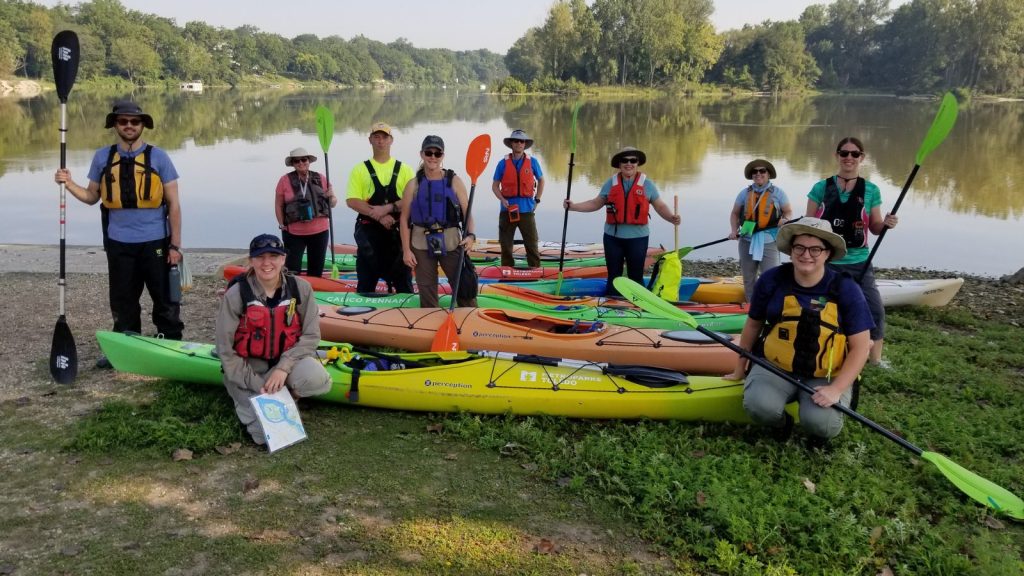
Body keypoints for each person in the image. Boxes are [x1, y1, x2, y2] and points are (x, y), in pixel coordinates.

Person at [53, 100, 183, 368]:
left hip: (155, 241)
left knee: (164, 297)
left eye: (134, 122)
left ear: (142, 125)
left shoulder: (159, 157)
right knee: (123, 300)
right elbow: (91, 197)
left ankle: (170, 342)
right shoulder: (102, 157)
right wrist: (68, 183)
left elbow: (174, 205)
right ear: (115, 125)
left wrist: (175, 246)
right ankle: (127, 344)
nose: (129, 126)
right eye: (123, 121)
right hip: (119, 243)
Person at [723, 218, 874, 443]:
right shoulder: (771, 280)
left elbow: (862, 347)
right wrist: (738, 369)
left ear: (827, 254)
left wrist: (836, 389)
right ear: (791, 251)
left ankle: (817, 425)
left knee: (821, 424)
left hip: (825, 373)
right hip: (776, 365)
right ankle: (782, 423)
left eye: (815, 249)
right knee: (758, 405)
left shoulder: (846, 288)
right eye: (799, 248)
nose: (806, 255)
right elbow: (753, 324)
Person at [215, 234, 331, 445]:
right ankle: (270, 398)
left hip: (285, 362)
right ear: (251, 261)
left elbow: (311, 335)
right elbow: (225, 350)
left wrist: (283, 367)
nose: (267, 263)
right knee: (264, 438)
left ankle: (288, 396)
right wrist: (259, 385)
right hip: (249, 370)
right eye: (260, 257)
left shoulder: (301, 289)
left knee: (318, 379)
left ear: (283, 259)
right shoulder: (236, 295)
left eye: (273, 256)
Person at [806, 137, 898, 367]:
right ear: (837, 156)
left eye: (854, 154)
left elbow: (875, 228)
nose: (849, 158)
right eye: (844, 153)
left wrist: (886, 223)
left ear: (862, 158)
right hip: (827, 261)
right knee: (817, 307)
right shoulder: (820, 187)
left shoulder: (870, 190)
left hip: (859, 261)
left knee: (875, 309)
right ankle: (814, 349)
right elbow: (808, 225)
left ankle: (875, 360)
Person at [563, 146, 680, 297]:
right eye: (625, 160)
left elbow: (660, 206)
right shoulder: (610, 184)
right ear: (619, 164)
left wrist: (671, 218)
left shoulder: (647, 185)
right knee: (614, 276)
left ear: (638, 164)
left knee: (635, 276)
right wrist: (573, 207)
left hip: (638, 238)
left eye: (633, 160)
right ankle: (611, 304)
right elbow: (595, 203)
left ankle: (638, 305)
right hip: (613, 238)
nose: (629, 163)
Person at [399, 135, 478, 308]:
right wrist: (406, 250)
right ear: (422, 154)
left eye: (437, 153)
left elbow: (467, 213)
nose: (433, 157)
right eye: (429, 153)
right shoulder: (413, 185)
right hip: (420, 243)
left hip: (451, 241)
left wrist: (471, 236)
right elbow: (404, 220)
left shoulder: (454, 181)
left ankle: (470, 319)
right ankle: (430, 320)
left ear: (442, 156)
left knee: (464, 287)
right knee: (427, 290)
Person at [345, 122, 416, 293]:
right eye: (376, 137)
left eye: (385, 137)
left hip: (398, 237)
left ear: (391, 140)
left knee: (404, 284)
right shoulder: (359, 170)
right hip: (370, 238)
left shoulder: (405, 170)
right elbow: (352, 200)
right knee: (366, 283)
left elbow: (412, 200)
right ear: (370, 140)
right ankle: (362, 314)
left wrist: (387, 209)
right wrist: (377, 215)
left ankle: (406, 311)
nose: (380, 141)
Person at [729, 159, 792, 302]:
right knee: (748, 278)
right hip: (746, 238)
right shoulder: (744, 193)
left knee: (771, 277)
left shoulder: (778, 193)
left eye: (762, 171)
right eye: (754, 172)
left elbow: (788, 211)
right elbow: (734, 213)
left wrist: (785, 220)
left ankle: (771, 306)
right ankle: (751, 307)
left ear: (768, 174)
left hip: (770, 240)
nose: (758, 174)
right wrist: (734, 230)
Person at [274, 147, 337, 278]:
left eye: (304, 159)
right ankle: (292, 295)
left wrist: (332, 197)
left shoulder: (321, 177)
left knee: (316, 270)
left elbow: (333, 204)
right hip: (294, 234)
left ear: (309, 161)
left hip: (320, 232)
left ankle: (312, 294)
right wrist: (281, 225)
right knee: (292, 270)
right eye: (297, 161)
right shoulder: (284, 181)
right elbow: (278, 205)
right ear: (292, 164)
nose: (301, 163)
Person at [491, 129, 545, 268]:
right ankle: (507, 270)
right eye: (516, 141)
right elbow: (495, 186)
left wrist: (537, 200)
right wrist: (502, 199)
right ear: (511, 144)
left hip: (527, 209)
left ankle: (534, 270)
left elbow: (541, 181)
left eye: (522, 141)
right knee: (506, 244)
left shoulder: (532, 162)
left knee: (532, 243)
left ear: (525, 144)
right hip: (507, 209)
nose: (519, 143)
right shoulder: (502, 163)